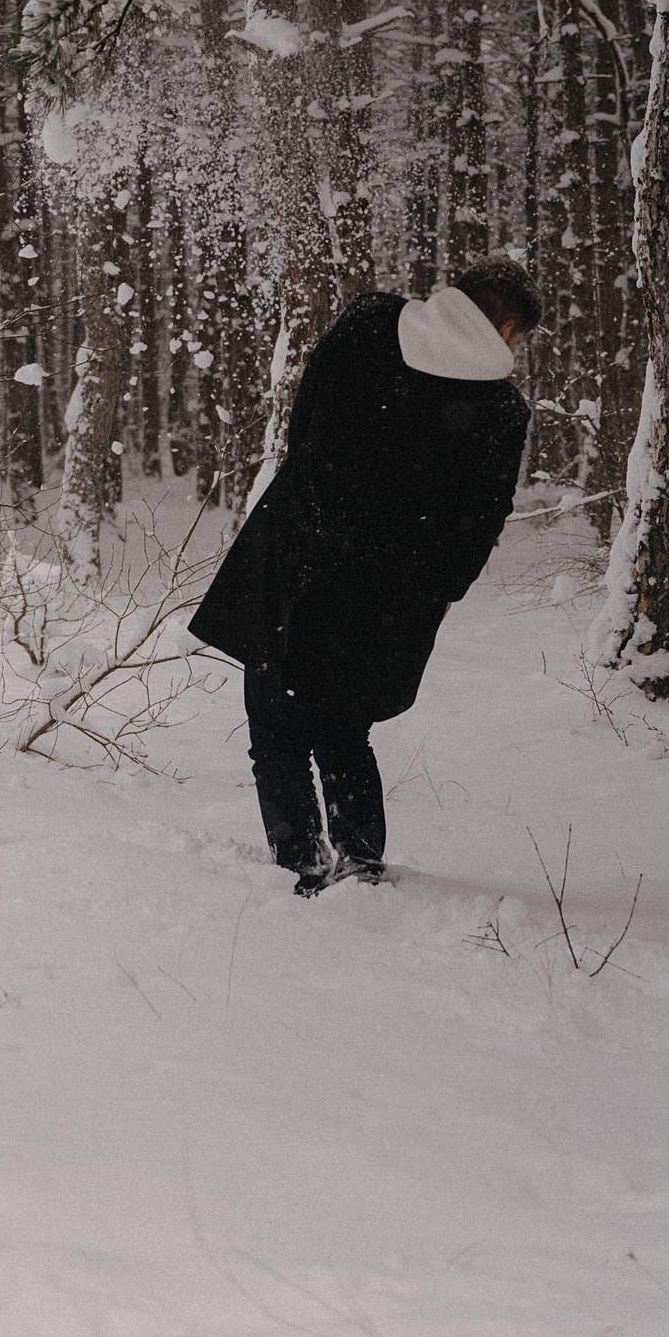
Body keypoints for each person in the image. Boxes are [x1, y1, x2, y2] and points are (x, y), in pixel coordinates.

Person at [190, 260, 536, 896]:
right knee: (343, 728)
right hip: (387, 589)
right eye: (518, 339)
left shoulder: (368, 324)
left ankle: (301, 860)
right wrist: (444, 587)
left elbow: (305, 429)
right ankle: (360, 864)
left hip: (297, 551)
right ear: (507, 325)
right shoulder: (500, 407)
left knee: (274, 721)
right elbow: (482, 515)